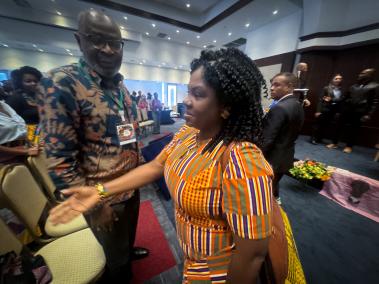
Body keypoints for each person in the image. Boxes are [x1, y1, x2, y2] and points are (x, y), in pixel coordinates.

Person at [49, 48, 282, 283]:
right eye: (188, 91)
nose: (185, 101)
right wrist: (99, 191)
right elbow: (155, 167)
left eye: (198, 94)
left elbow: (252, 254)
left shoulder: (242, 160)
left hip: (218, 269)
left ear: (226, 106)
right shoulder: (189, 133)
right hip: (192, 256)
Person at [38, 10, 148, 282]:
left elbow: (127, 133)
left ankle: (126, 251)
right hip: (102, 196)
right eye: (97, 40)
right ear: (79, 41)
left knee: (124, 240)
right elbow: (59, 161)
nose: (109, 50)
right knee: (116, 262)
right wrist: (95, 207)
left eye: (115, 43)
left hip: (129, 186)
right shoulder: (61, 83)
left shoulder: (118, 84)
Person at [262, 72, 305, 203]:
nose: (271, 88)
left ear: (289, 87)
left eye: (276, 85)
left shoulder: (279, 108)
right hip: (285, 156)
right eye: (271, 84)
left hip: (271, 159)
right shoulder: (297, 104)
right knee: (273, 187)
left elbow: (267, 140)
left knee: (263, 193)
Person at [329, 68, 379, 153]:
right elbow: (344, 98)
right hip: (346, 110)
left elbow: (375, 102)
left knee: (353, 129)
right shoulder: (354, 85)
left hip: (359, 111)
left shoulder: (375, 86)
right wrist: (336, 105)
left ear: (370, 75)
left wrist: (368, 114)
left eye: (363, 73)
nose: (360, 75)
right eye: (360, 73)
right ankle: (334, 143)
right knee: (338, 126)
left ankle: (349, 146)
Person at [6, 66, 43, 144]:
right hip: (25, 138)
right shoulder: (15, 98)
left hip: (41, 134)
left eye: (36, 81)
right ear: (20, 82)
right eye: (28, 81)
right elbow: (9, 122)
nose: (33, 83)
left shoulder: (40, 96)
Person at [311, 74, 344, 145]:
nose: (338, 80)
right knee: (318, 125)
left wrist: (338, 111)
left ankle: (319, 138)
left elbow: (340, 101)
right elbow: (320, 100)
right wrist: (318, 111)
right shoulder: (326, 88)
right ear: (333, 79)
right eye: (336, 78)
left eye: (340, 79)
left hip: (333, 111)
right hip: (324, 109)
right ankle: (313, 139)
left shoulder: (341, 90)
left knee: (326, 125)